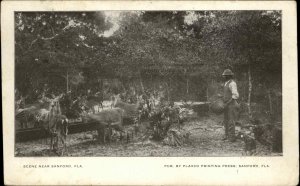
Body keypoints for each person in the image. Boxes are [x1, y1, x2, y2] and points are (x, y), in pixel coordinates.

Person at [222, 69, 240, 142]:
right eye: (224, 76)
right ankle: (227, 135)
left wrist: (228, 103)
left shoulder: (232, 83)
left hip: (231, 104)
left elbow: (235, 95)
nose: (224, 77)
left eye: (225, 76)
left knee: (231, 121)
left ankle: (232, 138)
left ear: (229, 76)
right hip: (226, 104)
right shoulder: (226, 83)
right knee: (226, 120)